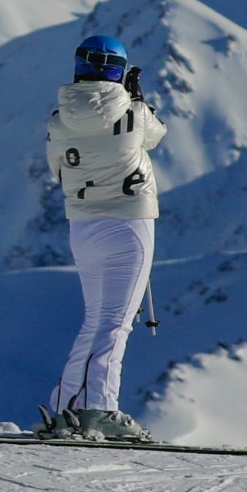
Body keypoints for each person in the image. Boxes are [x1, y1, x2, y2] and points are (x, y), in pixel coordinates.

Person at [39, 34, 167, 442]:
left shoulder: (59, 119)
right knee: (116, 322)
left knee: (95, 319)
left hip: (83, 224)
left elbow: (55, 168)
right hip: (130, 221)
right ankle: (100, 408)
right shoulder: (134, 111)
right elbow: (157, 135)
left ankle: (65, 409)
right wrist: (134, 98)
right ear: (120, 69)